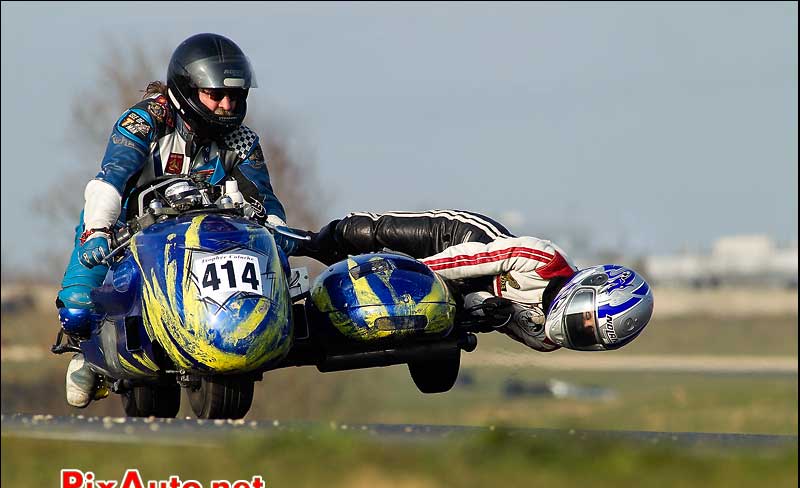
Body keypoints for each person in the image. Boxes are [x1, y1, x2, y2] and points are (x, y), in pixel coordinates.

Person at [58, 33, 296, 408]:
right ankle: (88, 356)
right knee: (76, 309)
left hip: (212, 240)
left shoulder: (241, 140)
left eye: (234, 96)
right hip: (128, 232)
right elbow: (110, 180)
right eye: (215, 95)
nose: (226, 105)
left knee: (282, 265)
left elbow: (265, 201)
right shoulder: (144, 121)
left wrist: (281, 234)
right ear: (188, 90)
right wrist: (97, 232)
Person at [296, 209, 654, 352]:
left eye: (587, 335)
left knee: (442, 330)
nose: (577, 329)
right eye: (585, 318)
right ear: (585, 287)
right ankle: (298, 241)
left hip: (468, 292)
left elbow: (480, 317)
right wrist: (400, 275)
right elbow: (468, 260)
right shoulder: (541, 258)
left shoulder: (546, 340)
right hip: (461, 242)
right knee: (363, 231)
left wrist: (484, 310)